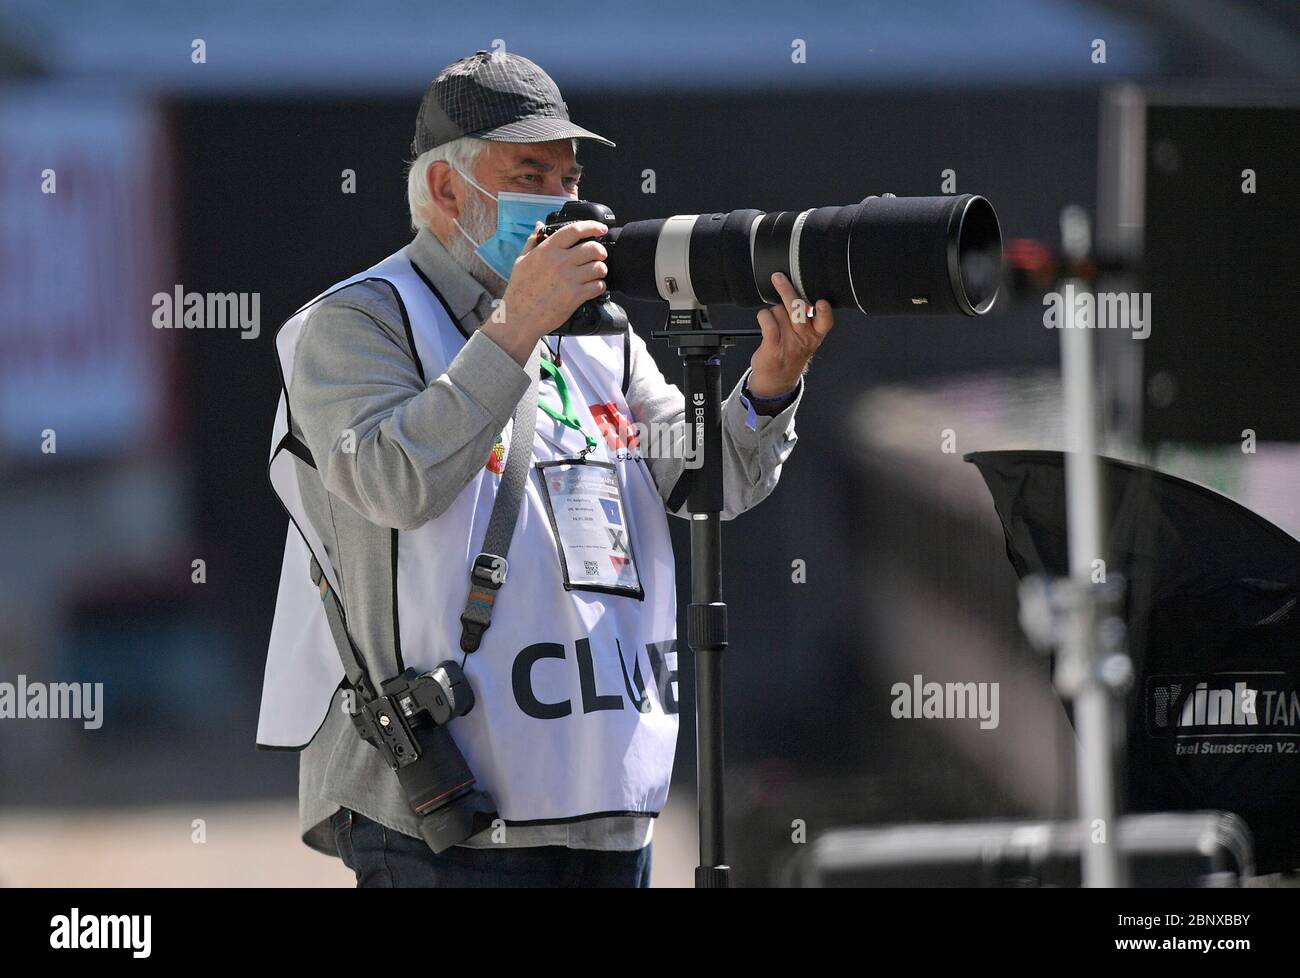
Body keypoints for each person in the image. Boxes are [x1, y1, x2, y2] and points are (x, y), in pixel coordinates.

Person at [258, 49, 834, 888]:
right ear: (448, 191)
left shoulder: (597, 331)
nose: (563, 200)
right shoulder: (358, 322)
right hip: (447, 816)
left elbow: (707, 482)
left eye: (568, 176)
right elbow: (391, 481)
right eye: (531, 172)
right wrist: (515, 327)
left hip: (602, 801)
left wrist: (772, 384)